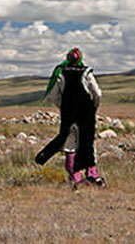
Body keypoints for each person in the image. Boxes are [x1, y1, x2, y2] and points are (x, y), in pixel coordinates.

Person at [35, 47, 105, 188]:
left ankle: (75, 176)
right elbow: (97, 93)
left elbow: (54, 95)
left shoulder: (61, 73)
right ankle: (92, 174)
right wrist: (93, 107)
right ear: (80, 59)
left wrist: (63, 106)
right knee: (87, 143)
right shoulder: (86, 72)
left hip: (69, 114)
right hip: (86, 113)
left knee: (70, 144)